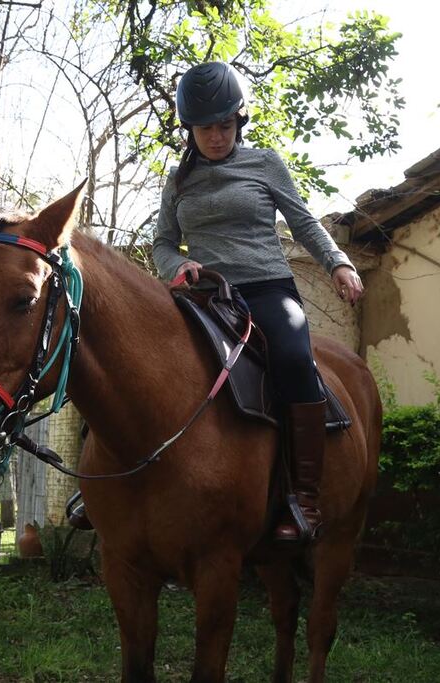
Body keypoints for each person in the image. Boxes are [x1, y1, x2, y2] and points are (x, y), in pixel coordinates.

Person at [153, 62, 364, 543]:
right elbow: (162, 242)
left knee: (292, 358)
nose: (216, 136)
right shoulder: (179, 180)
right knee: (143, 355)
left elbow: (304, 221)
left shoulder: (264, 163)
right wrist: (175, 268)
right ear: (190, 129)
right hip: (206, 295)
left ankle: (304, 496)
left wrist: (338, 262)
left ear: (238, 121)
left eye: (225, 125)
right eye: (205, 127)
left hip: (268, 288)